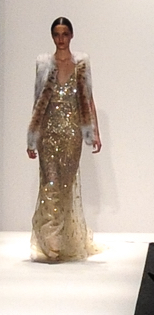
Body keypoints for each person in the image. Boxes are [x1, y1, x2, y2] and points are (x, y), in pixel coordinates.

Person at [27, 16, 101, 263]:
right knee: (50, 184)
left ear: (71, 35)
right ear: (52, 36)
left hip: (72, 133)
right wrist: (32, 137)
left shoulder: (81, 64)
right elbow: (37, 102)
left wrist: (95, 131)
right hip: (47, 133)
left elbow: (88, 99)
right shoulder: (43, 65)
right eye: (57, 34)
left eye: (65, 34)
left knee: (66, 186)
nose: (61, 39)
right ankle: (52, 243)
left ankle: (63, 239)